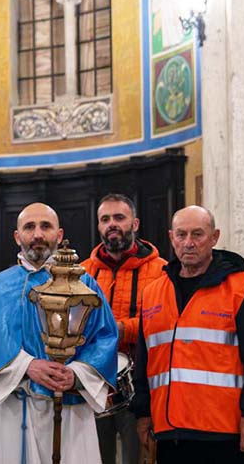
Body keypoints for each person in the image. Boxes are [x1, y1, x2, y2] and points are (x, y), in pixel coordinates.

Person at [0, 202, 119, 463]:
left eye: (46, 226)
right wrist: (27, 366)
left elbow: (104, 338)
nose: (38, 234)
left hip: (70, 407)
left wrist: (75, 374)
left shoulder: (85, 283)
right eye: (29, 227)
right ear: (17, 237)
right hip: (15, 406)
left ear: (59, 235)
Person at [132, 206, 244, 464]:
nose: (189, 243)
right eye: (182, 235)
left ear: (214, 237)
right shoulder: (152, 292)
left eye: (198, 234)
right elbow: (145, 361)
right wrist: (143, 413)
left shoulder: (242, 287)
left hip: (225, 431)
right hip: (169, 430)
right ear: (171, 237)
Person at [79, 193, 167, 464]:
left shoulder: (162, 270)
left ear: (135, 223)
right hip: (93, 382)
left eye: (119, 217)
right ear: (98, 226)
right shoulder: (82, 272)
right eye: (105, 219)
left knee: (137, 457)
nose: (111, 224)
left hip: (142, 385)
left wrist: (117, 329)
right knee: (94, 457)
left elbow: (163, 322)